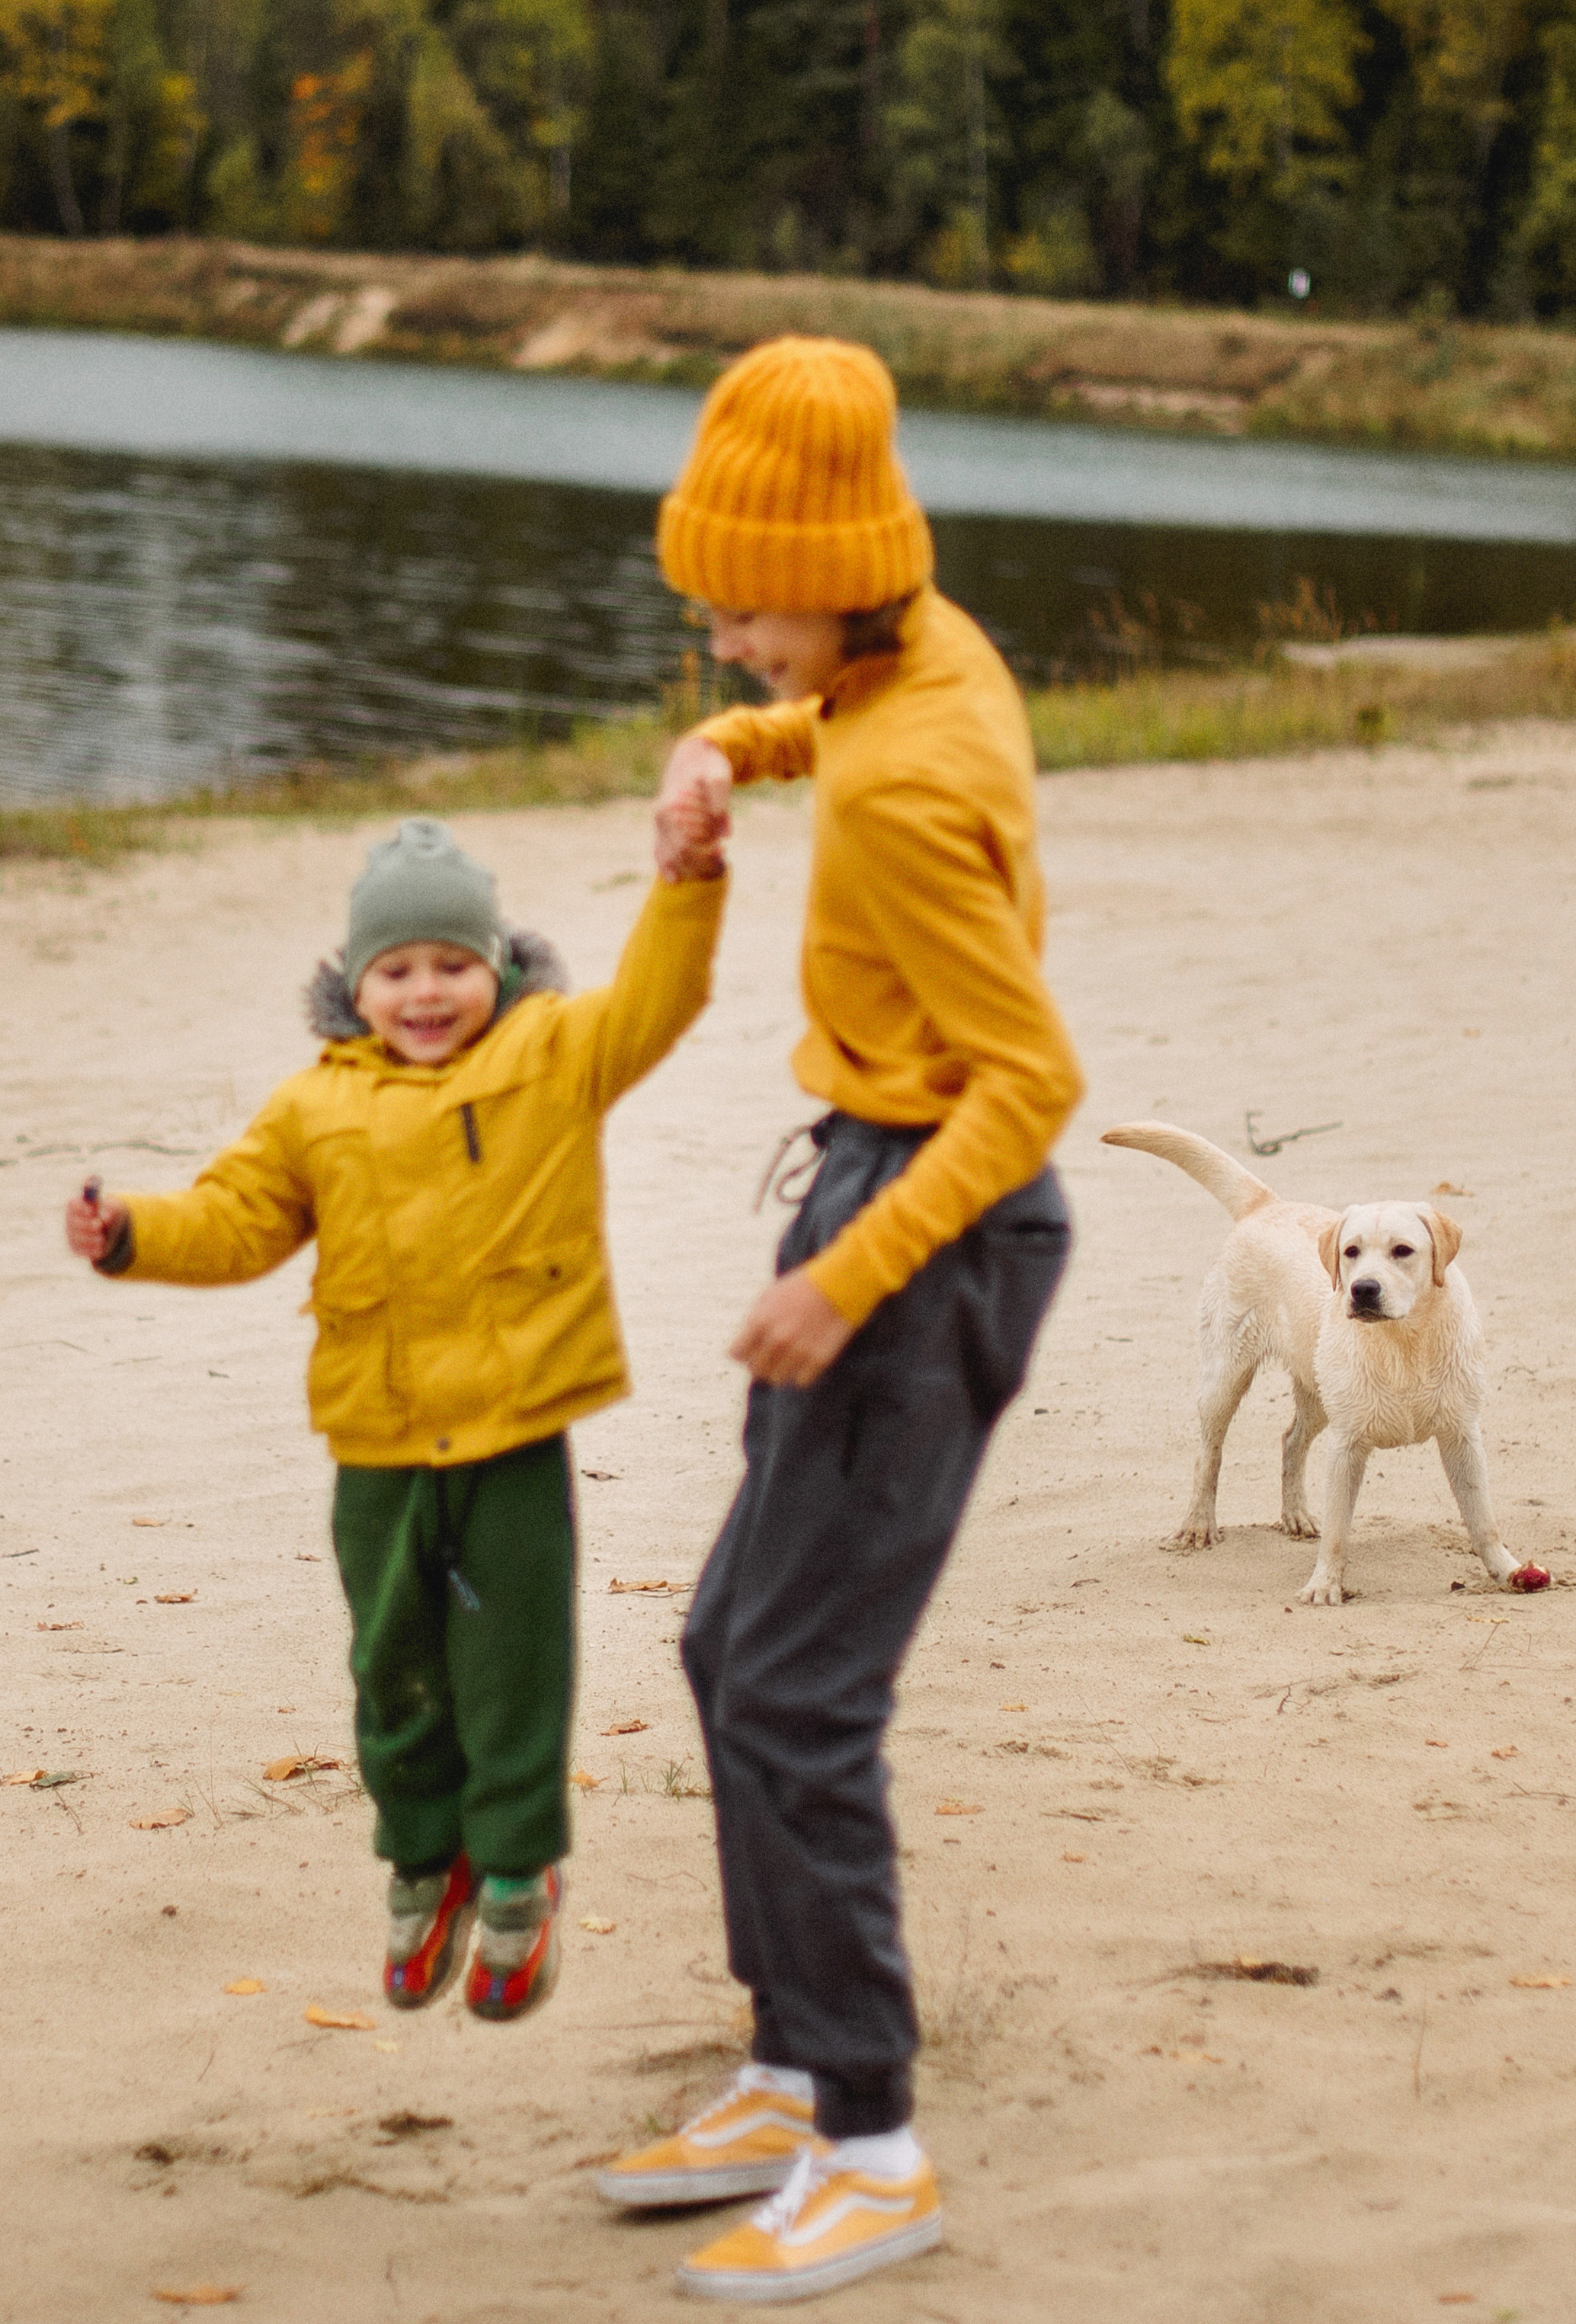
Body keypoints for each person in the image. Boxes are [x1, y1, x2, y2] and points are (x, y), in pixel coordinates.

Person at [594, 337, 1085, 2302]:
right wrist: (736, 752)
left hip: (929, 1226)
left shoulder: (903, 779)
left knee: (796, 1693)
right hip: (886, 1186)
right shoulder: (923, 648)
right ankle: (793, 2062)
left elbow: (1029, 1080)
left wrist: (840, 1273)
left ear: (833, 572)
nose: (717, 639)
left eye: (736, 610)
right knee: (730, 1643)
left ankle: (873, 2142)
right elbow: (850, 717)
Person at [65, 815, 726, 2023]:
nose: (427, 992)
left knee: (514, 1662)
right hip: (376, 1438)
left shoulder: (555, 1053)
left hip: (516, 1431)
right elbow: (238, 1218)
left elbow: (660, 1000)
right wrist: (135, 1236)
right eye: (398, 969)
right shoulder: (314, 1105)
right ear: (356, 984)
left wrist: (689, 884)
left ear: (499, 965)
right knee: (392, 1662)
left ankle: (520, 1874)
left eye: (452, 964)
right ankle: (427, 1860)